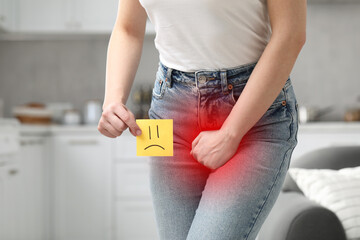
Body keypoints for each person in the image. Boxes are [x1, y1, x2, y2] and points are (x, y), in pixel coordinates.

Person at [98, 0, 306, 239]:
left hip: (253, 113)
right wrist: (113, 99)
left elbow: (291, 35)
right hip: (170, 109)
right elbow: (127, 28)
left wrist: (231, 132)